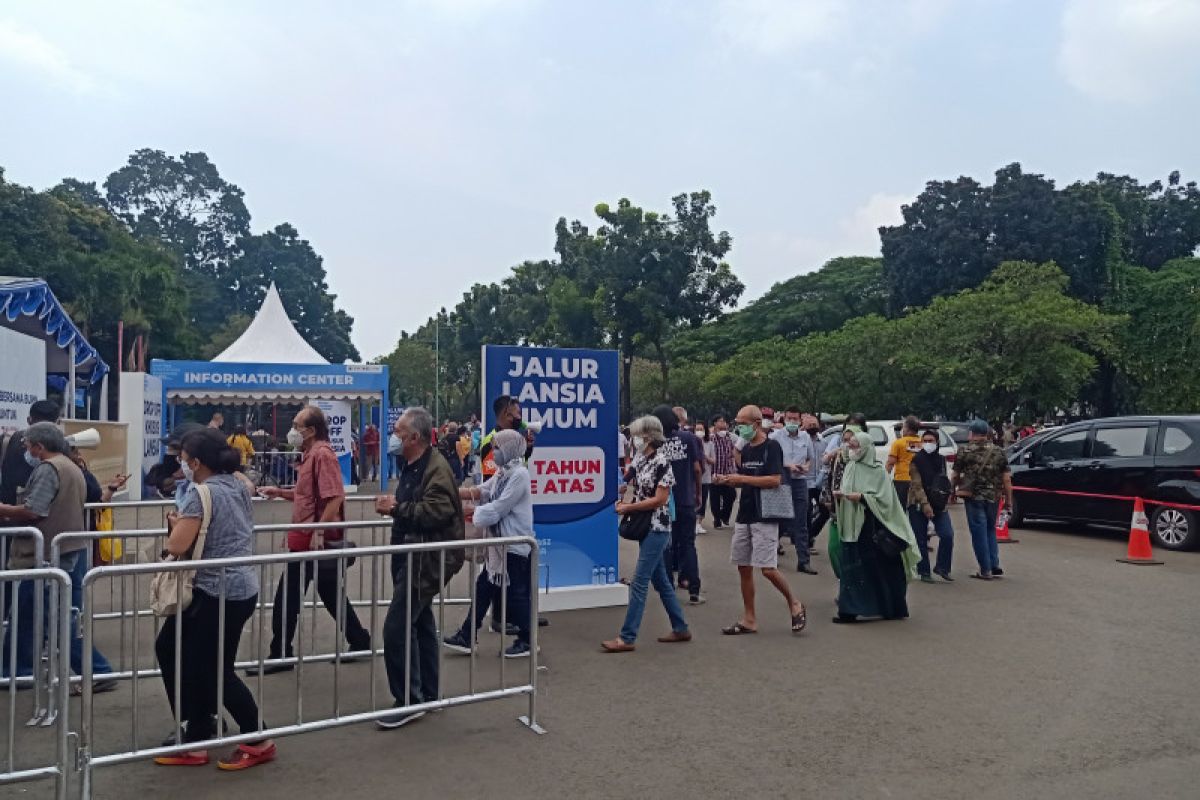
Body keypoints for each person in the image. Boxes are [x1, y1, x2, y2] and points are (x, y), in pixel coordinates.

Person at [153, 428, 275, 769]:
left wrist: (174, 524)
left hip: (215, 591)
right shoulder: (238, 485)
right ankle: (199, 727)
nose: (180, 463)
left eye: (183, 457)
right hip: (235, 589)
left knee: (214, 669)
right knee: (171, 647)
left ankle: (256, 737)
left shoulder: (199, 493)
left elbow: (177, 545)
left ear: (196, 462)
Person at [249, 407, 371, 676]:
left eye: (296, 425)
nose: (293, 430)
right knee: (329, 595)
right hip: (309, 538)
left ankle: (281, 653)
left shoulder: (322, 455)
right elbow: (309, 496)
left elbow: (335, 496)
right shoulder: (311, 455)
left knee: (288, 596)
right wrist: (280, 492)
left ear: (312, 430)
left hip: (312, 541)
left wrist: (317, 530)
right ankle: (359, 640)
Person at [0, 422, 118, 691]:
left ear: (39, 446)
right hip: (56, 552)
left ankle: (98, 671)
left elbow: (34, 510)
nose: (27, 450)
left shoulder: (48, 469)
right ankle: (15, 672)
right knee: (29, 618)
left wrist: (4, 509)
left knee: (55, 622)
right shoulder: (69, 466)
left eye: (29, 446)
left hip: (43, 555)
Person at [374, 407, 465, 729]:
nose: (393, 436)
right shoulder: (412, 464)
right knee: (421, 623)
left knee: (397, 627)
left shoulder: (435, 468)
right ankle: (428, 693)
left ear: (414, 437)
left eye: (398, 431)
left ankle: (409, 700)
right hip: (410, 553)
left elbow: (437, 512)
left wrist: (397, 508)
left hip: (426, 558)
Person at [714, 405, 807, 636]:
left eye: (743, 423)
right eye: (738, 423)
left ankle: (794, 603)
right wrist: (728, 481)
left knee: (767, 568)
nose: (739, 428)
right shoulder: (745, 449)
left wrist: (742, 477)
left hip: (765, 514)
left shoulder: (771, 447)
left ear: (756, 424)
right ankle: (749, 619)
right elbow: (747, 480)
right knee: (743, 566)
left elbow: (775, 480)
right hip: (744, 513)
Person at [443, 429, 534, 658]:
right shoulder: (504, 472)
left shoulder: (519, 474)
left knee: (516, 596)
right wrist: (451, 492)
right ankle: (467, 635)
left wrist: (471, 512)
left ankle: (528, 639)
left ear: (509, 449)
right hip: (499, 546)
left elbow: (499, 507)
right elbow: (481, 491)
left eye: (497, 447)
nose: (493, 451)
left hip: (513, 545)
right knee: (483, 587)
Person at [601, 416, 689, 652]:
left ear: (648, 436)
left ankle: (627, 637)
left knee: (640, 582)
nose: (633, 439)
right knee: (660, 580)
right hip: (646, 525)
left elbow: (660, 499)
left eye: (637, 435)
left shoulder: (662, 461)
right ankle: (680, 626)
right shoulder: (643, 458)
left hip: (657, 526)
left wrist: (628, 507)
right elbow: (630, 476)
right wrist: (623, 485)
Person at [832, 431, 919, 624]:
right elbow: (848, 490)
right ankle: (849, 610)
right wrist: (841, 496)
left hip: (873, 528)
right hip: (853, 528)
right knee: (853, 569)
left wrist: (863, 498)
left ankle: (890, 607)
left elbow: (886, 501)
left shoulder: (878, 471)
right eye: (850, 445)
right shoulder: (851, 467)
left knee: (880, 569)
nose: (851, 449)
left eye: (855, 446)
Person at [653, 405, 704, 605]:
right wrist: (698, 492)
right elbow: (697, 469)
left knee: (667, 545)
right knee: (688, 544)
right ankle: (693, 589)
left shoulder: (656, 442)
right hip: (685, 499)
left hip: (663, 500)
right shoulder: (689, 439)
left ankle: (668, 587)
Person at [952, 419, 1014, 581]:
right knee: (990, 530)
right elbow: (1007, 480)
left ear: (971, 433)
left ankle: (985, 569)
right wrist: (1009, 501)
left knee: (978, 532)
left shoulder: (964, 451)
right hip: (993, 497)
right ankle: (994, 564)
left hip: (973, 498)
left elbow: (955, 476)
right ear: (987, 433)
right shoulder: (999, 451)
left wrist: (952, 492)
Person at [771, 406, 817, 574]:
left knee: (801, 522)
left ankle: (803, 561)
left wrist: (805, 467)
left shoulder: (805, 437)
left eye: (795, 419)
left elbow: (810, 458)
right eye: (789, 418)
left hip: (800, 481)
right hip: (783, 479)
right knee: (781, 519)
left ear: (800, 420)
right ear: (784, 419)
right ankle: (771, 554)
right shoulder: (775, 437)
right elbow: (772, 459)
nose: (792, 422)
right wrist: (788, 466)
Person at [908, 429, 956, 582]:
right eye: (925, 441)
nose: (928, 444)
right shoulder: (916, 460)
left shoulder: (941, 459)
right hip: (918, 502)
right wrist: (925, 504)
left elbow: (943, 480)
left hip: (938, 503)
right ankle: (924, 572)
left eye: (931, 441)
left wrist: (947, 494)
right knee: (920, 539)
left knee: (947, 535)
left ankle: (942, 567)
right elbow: (916, 485)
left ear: (937, 442)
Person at [804, 415, 830, 549]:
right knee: (807, 511)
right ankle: (807, 542)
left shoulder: (824, 442)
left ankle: (811, 534)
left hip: (820, 482)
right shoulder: (801, 441)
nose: (812, 427)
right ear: (804, 426)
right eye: (810, 425)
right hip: (805, 482)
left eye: (814, 424)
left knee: (825, 511)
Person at [708, 415, 736, 529]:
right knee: (715, 498)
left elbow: (734, 453)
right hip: (714, 472)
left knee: (731, 495)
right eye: (720, 421)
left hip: (727, 473)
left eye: (724, 421)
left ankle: (725, 516)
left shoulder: (730, 438)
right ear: (715, 423)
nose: (723, 423)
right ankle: (717, 519)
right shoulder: (711, 438)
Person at [886, 415, 922, 506]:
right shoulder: (922, 442)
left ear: (907, 428)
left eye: (903, 427)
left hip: (902, 481)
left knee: (900, 508)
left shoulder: (898, 443)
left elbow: (890, 463)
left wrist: (884, 479)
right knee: (915, 508)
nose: (902, 429)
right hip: (919, 480)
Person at [696, 421, 713, 532]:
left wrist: (705, 457)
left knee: (703, 499)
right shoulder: (691, 442)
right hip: (693, 477)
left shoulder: (710, 444)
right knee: (694, 499)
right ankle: (693, 522)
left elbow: (713, 460)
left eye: (701, 429)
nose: (699, 432)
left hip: (705, 477)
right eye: (697, 429)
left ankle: (699, 523)